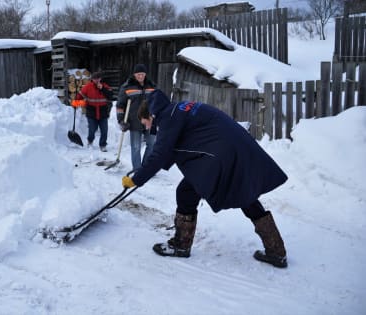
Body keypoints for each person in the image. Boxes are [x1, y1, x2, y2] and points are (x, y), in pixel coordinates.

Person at [121, 89, 289, 268]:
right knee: (244, 195)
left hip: (222, 155)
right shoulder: (178, 109)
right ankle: (276, 251)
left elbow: (161, 153)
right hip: (235, 148)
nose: (147, 128)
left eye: (145, 123)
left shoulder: (167, 117)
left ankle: (181, 245)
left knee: (186, 192)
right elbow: (174, 146)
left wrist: (137, 179)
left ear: (151, 115)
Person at [116, 64, 156, 170]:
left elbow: (157, 102)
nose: (140, 76)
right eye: (138, 74)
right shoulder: (127, 87)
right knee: (136, 147)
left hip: (149, 120)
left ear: (145, 74)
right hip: (134, 122)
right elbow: (120, 105)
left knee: (152, 144)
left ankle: (146, 167)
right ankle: (138, 169)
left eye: (142, 74)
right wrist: (121, 120)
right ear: (134, 74)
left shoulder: (151, 86)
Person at [76, 71, 113, 152]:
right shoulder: (87, 87)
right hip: (91, 112)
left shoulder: (105, 86)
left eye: (98, 78)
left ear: (100, 79)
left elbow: (110, 95)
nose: (96, 80)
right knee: (92, 130)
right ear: (92, 79)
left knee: (104, 130)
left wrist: (102, 88)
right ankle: (90, 141)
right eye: (94, 79)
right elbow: (80, 96)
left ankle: (102, 145)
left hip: (103, 112)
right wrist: (75, 102)